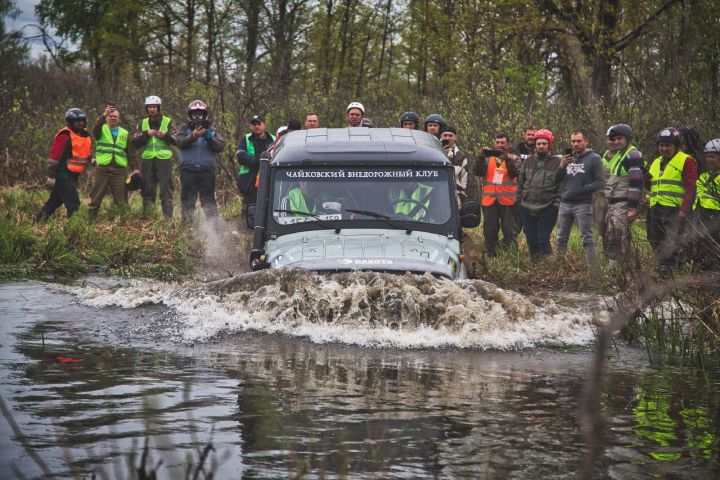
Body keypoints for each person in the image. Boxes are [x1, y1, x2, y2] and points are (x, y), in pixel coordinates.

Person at [645, 127, 698, 274]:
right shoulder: (656, 162)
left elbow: (691, 188)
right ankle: (662, 268)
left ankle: (673, 271)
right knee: (653, 238)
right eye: (661, 145)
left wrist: (683, 210)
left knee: (673, 241)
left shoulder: (686, 160)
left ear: (676, 146)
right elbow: (654, 185)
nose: (664, 148)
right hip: (656, 207)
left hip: (674, 209)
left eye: (668, 145)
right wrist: (648, 194)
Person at [555, 129, 604, 264]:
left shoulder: (594, 158)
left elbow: (600, 181)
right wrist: (561, 166)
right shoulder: (567, 158)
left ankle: (593, 270)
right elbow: (555, 179)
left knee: (587, 239)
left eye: (579, 141)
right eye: (573, 141)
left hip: (583, 204)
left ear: (586, 141)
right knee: (561, 238)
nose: (575, 144)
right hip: (565, 203)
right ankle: (559, 267)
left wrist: (582, 190)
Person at [36, 108, 92, 221]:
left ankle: (37, 223)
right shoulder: (65, 136)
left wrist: (91, 160)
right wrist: (51, 176)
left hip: (73, 175)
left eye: (82, 120)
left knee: (54, 202)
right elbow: (54, 158)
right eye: (77, 121)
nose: (80, 123)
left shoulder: (84, 134)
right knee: (74, 203)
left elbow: (83, 151)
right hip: (63, 175)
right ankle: (74, 231)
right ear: (70, 122)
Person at [174, 99, 226, 222]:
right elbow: (179, 142)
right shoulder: (184, 128)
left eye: (200, 113)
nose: (197, 116)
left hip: (206, 170)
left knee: (208, 200)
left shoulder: (212, 129)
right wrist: (193, 136)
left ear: (205, 114)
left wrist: (209, 137)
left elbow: (220, 146)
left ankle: (214, 228)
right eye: (194, 113)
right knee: (187, 200)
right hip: (188, 170)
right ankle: (187, 226)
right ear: (190, 114)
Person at [601, 124, 644, 266]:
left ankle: (622, 270)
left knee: (619, 237)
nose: (616, 141)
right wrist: (609, 208)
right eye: (614, 139)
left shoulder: (633, 155)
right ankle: (614, 268)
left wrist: (632, 208)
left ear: (628, 138)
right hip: (614, 204)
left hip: (624, 204)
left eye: (620, 138)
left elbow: (636, 183)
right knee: (611, 237)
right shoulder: (619, 155)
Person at [517, 128, 562, 258]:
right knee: (531, 240)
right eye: (538, 144)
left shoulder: (558, 162)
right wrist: (519, 203)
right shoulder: (528, 161)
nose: (541, 146)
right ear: (535, 146)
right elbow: (520, 182)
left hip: (547, 207)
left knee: (542, 239)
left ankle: (547, 265)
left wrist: (555, 205)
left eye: (544, 144)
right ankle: (535, 266)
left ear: (549, 145)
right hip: (526, 206)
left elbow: (561, 185)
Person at [88, 104, 139, 219]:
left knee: (122, 200)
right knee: (95, 198)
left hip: (119, 171)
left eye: (115, 116)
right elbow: (95, 129)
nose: (113, 118)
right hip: (102, 169)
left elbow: (131, 153)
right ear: (106, 117)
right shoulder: (100, 129)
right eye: (110, 116)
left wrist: (135, 168)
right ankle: (89, 223)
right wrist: (103, 114)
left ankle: (126, 223)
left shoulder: (124, 133)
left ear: (118, 119)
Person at [132, 95, 177, 218]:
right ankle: (148, 216)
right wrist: (146, 134)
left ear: (158, 108)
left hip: (164, 160)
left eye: (154, 107)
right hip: (148, 160)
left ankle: (168, 218)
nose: (152, 109)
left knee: (165, 189)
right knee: (147, 188)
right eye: (150, 107)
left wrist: (165, 135)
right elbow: (135, 142)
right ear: (147, 108)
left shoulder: (167, 121)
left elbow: (177, 140)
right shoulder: (142, 123)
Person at [477, 133, 521, 255]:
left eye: (503, 143)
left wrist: (506, 159)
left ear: (507, 144)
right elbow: (478, 172)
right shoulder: (487, 158)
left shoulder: (514, 158)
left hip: (508, 200)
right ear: (494, 143)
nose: (500, 145)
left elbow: (515, 173)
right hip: (489, 200)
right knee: (490, 230)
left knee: (509, 230)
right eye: (498, 142)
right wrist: (480, 157)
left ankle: (511, 255)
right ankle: (491, 254)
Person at [236, 114, 275, 224]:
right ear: (250, 127)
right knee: (249, 204)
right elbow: (240, 156)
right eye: (254, 124)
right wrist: (261, 162)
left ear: (264, 125)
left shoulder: (274, 138)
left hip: (268, 174)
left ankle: (266, 225)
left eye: (259, 123)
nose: (256, 126)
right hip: (249, 177)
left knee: (269, 202)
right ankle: (247, 228)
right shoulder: (246, 139)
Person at [692, 139, 720, 268]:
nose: (709, 159)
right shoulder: (704, 176)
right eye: (708, 156)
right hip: (701, 218)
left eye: (713, 156)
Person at [442, 125, 476, 207]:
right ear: (441, 136)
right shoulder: (434, 152)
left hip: (455, 197)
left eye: (450, 135)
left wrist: (461, 196)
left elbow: (464, 180)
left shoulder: (460, 157)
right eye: (445, 135)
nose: (447, 138)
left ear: (455, 138)